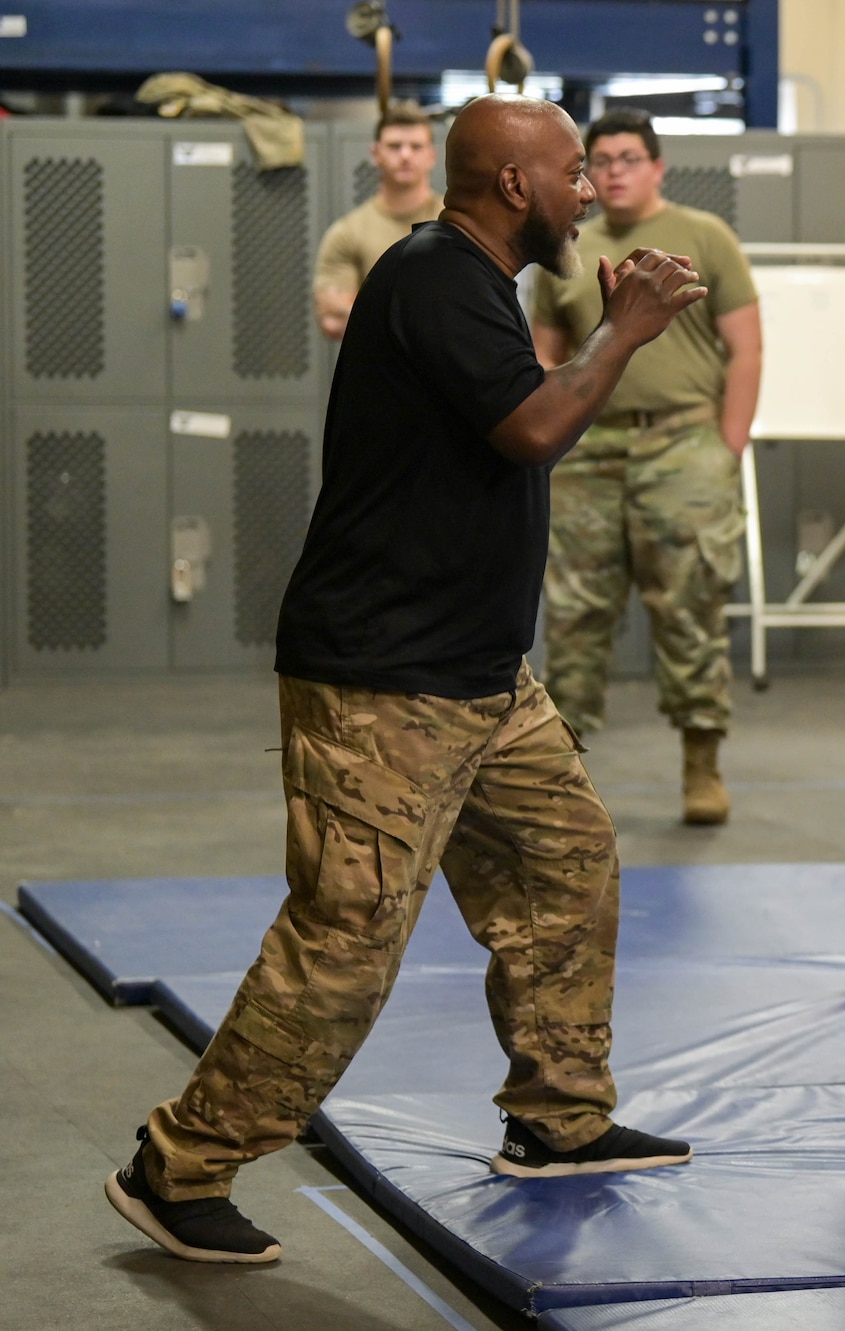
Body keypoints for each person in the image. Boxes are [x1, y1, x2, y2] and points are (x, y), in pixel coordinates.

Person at [106, 96, 707, 1265]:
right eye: (573, 172)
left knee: (566, 866)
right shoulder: (431, 274)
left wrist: (600, 319)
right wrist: (623, 328)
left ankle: (556, 1119)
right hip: (385, 684)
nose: (589, 189)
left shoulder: (485, 284)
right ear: (518, 188)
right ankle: (175, 1167)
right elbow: (532, 428)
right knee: (346, 937)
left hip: (483, 679)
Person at [531, 109, 762, 825]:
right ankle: (562, 769)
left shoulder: (704, 237)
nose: (615, 170)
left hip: (683, 448)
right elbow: (544, 353)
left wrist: (726, 446)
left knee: (690, 608)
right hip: (589, 453)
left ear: (658, 166)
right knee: (573, 615)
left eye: (631, 157)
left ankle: (702, 762)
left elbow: (746, 350)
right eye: (600, 159)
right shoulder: (566, 247)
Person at [313, 102, 443, 341]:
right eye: (394, 146)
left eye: (416, 146)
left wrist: (367, 309)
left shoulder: (455, 223)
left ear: (431, 156)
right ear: (375, 154)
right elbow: (332, 320)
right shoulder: (348, 233)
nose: (405, 155)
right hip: (379, 377)